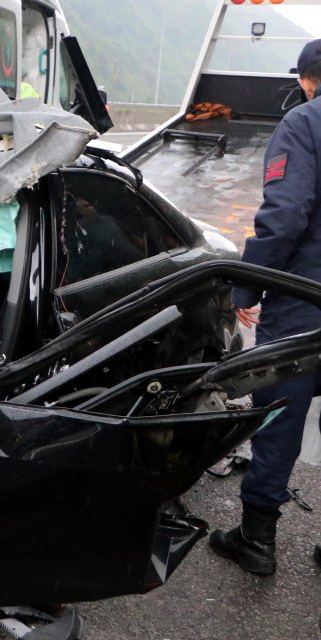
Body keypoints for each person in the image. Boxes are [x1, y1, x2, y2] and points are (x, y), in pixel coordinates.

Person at [209, 39, 321, 576]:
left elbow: (285, 215)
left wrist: (247, 288)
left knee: (279, 412)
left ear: (306, 79)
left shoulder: (304, 124)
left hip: (305, 299)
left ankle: (256, 541)